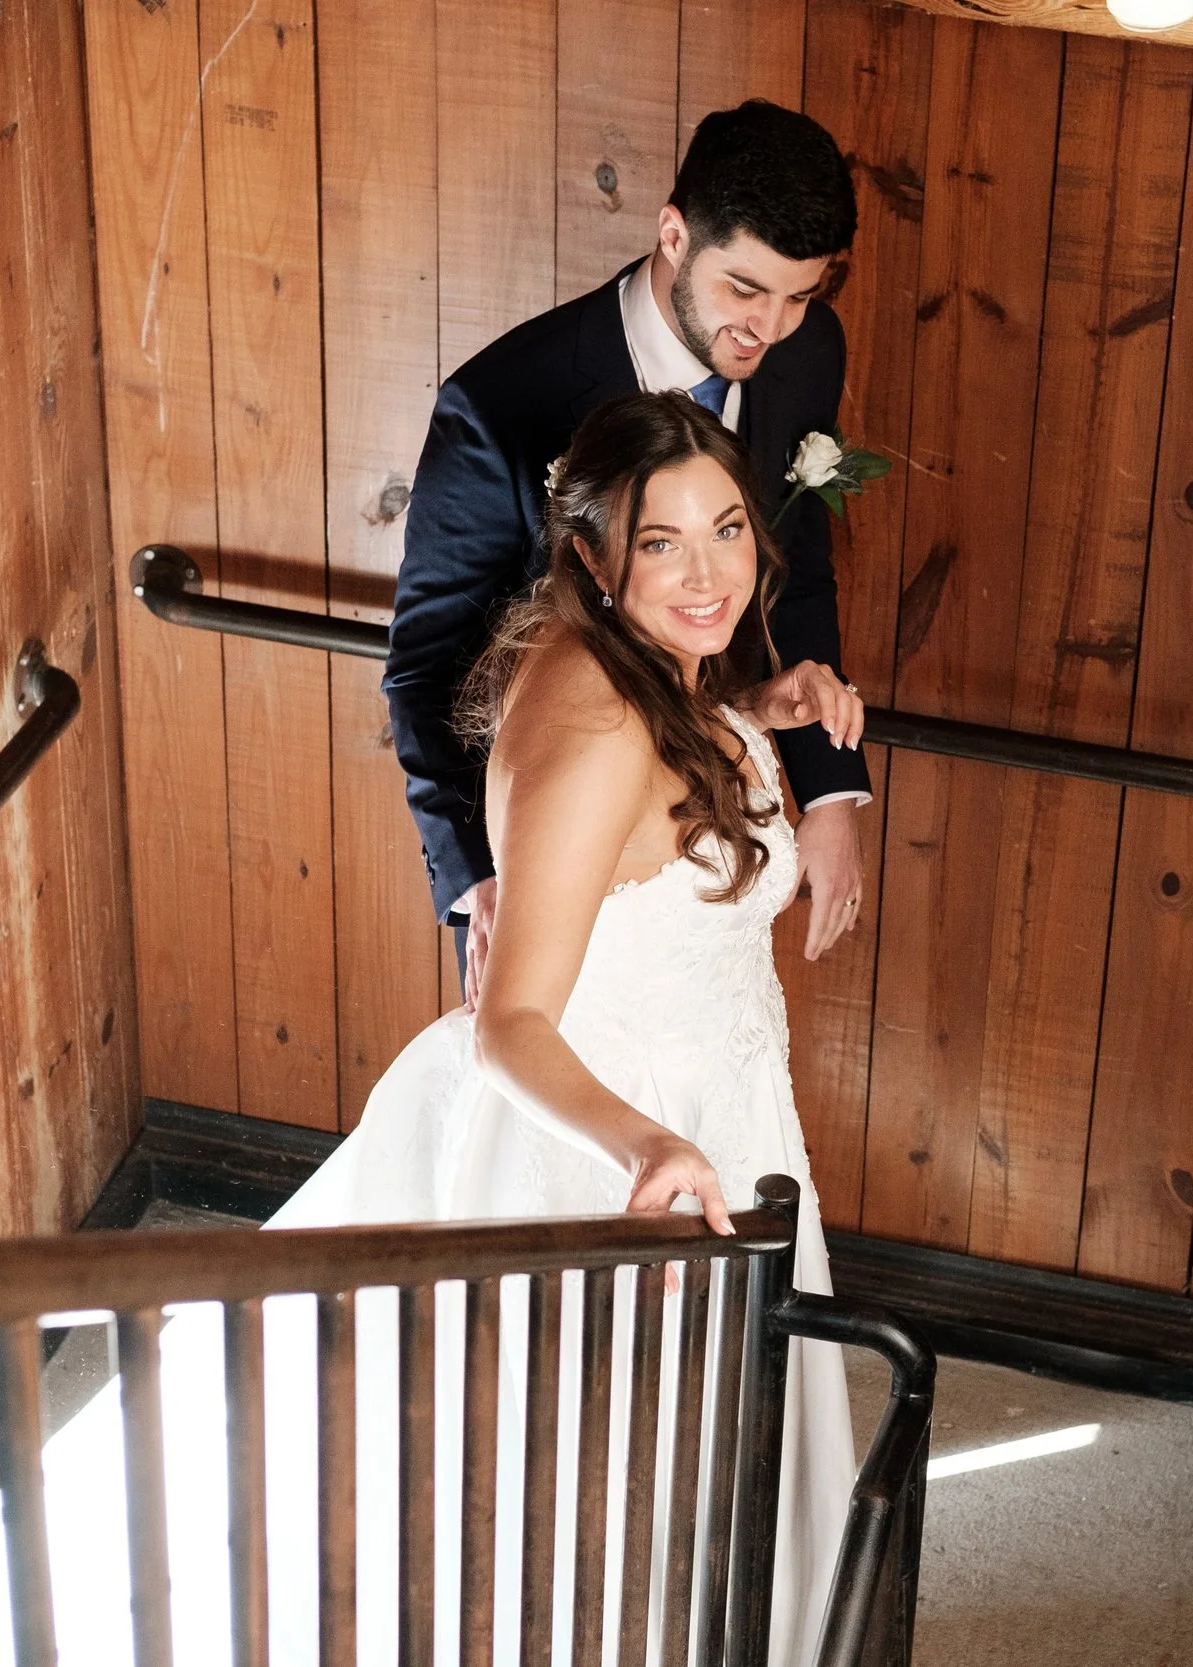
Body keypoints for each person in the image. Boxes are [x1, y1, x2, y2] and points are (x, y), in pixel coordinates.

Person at [275, 391, 864, 1667]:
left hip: (724, 1091)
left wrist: (761, 712)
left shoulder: (640, 676)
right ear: (594, 556)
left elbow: (658, 824)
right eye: (662, 545)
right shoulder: (592, 716)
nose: (709, 573)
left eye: (727, 529)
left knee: (688, 1481)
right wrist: (646, 1147)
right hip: (616, 1135)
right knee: (607, 1501)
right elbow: (511, 1021)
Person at [388, 99, 873, 1006]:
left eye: (799, 297)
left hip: (715, 863)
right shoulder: (500, 406)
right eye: (744, 289)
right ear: (675, 234)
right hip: (563, 865)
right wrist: (479, 880)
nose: (767, 330)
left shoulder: (808, 357)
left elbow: (796, 572)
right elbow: (423, 670)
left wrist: (832, 791)